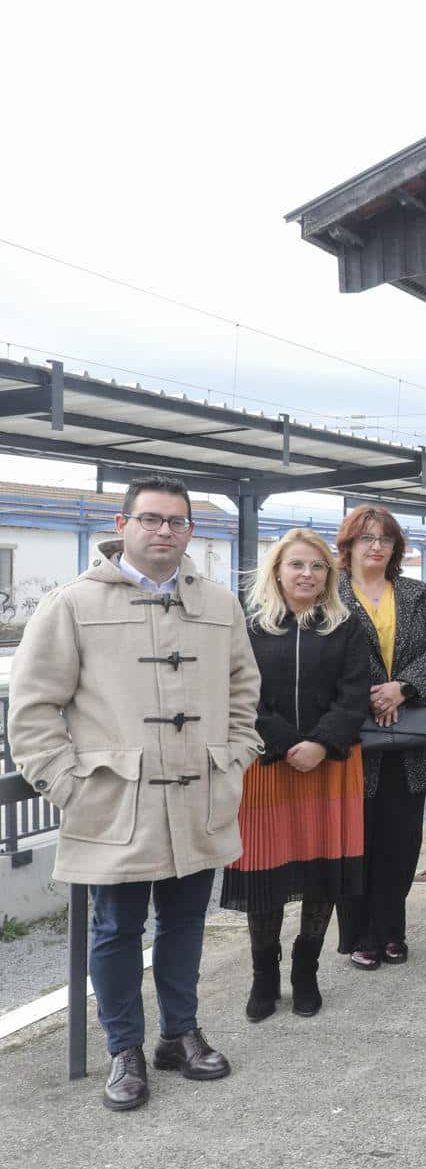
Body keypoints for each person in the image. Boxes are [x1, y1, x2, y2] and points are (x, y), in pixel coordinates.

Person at [7, 476, 262, 1111]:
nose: (163, 531)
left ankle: (180, 1034)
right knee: (115, 928)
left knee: (185, 923)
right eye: (150, 519)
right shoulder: (71, 604)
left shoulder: (220, 606)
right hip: (113, 801)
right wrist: (66, 785)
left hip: (198, 793)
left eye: (176, 522)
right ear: (121, 526)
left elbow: (242, 690)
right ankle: (124, 1048)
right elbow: (35, 709)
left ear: (190, 533)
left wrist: (235, 759)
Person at [223, 529, 370, 1023]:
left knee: (322, 873)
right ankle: (264, 972)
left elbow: (355, 695)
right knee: (266, 875)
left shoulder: (347, 627)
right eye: (297, 565)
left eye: (318, 566)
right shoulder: (248, 627)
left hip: (331, 765)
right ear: (277, 571)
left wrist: (321, 743)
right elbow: (242, 695)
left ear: (329, 575)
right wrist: (288, 743)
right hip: (267, 767)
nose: (307, 574)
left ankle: (306, 969)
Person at [336, 504, 426, 971]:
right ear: (349, 547)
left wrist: (402, 687)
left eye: (384, 538)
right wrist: (368, 695)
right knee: (356, 841)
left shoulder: (417, 594)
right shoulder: (331, 595)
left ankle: (392, 929)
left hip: (409, 737)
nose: (376, 545)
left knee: (401, 842)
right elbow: (321, 651)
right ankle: (361, 934)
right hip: (351, 739)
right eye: (366, 538)